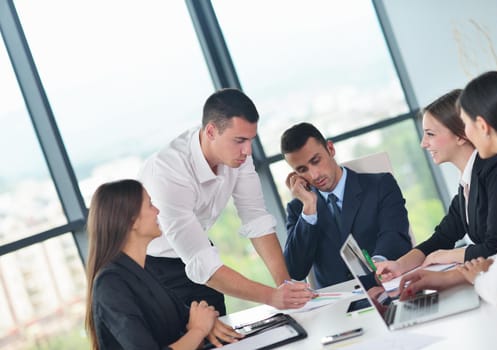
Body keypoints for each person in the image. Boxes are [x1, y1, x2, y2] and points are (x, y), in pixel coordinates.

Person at [139, 88, 314, 315]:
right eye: (239, 140)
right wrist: (272, 297)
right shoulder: (167, 172)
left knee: (225, 332)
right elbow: (202, 264)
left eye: (251, 140)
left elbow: (256, 218)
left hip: (200, 251)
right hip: (158, 269)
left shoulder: (239, 156)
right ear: (211, 131)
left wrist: (286, 287)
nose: (247, 150)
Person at [397, 71, 497, 338]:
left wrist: (468, 272)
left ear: (481, 126)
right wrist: (453, 274)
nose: (466, 133)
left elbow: (496, 278)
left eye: (465, 125)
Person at [85, 179, 242, 349]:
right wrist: (198, 329)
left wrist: (201, 320)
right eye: (150, 205)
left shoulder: (143, 272)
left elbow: (187, 318)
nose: (157, 211)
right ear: (133, 222)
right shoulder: (110, 285)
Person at [376, 89, 497, 281]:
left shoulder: (495, 169)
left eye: (430, 134)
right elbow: (441, 238)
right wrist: (398, 266)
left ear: (461, 135)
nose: (424, 143)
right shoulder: (467, 183)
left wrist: (446, 256)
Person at [280, 122, 412, 288]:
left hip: (385, 285)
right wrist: (309, 208)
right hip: (338, 304)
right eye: (302, 169)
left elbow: (394, 235)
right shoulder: (299, 209)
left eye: (315, 161)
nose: (314, 175)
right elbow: (295, 270)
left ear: (330, 149)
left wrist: (376, 271)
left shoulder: (380, 185)